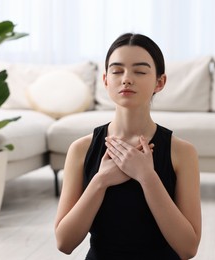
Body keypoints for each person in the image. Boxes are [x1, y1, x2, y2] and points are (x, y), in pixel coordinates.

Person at [54, 33, 202, 260]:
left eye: (140, 71)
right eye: (117, 71)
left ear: (159, 82)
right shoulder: (81, 150)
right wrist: (100, 181)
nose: (126, 79)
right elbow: (64, 243)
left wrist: (147, 177)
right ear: (105, 80)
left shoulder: (182, 153)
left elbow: (188, 248)